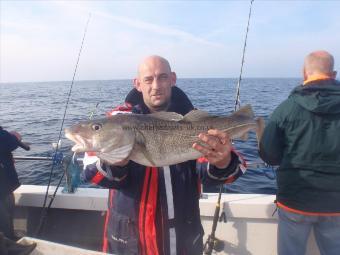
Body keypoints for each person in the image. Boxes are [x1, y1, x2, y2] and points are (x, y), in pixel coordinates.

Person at [83, 55, 246, 255]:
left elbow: (228, 170)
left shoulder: (196, 121)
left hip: (183, 241)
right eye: (148, 79)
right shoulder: (116, 120)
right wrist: (116, 164)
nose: (156, 86)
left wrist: (223, 161)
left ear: (173, 79)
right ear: (137, 84)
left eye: (162, 77)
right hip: (129, 242)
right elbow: (91, 172)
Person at [259, 50, 340, 255]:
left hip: (295, 201)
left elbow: (269, 155)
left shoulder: (286, 109)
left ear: (304, 73)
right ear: (334, 74)